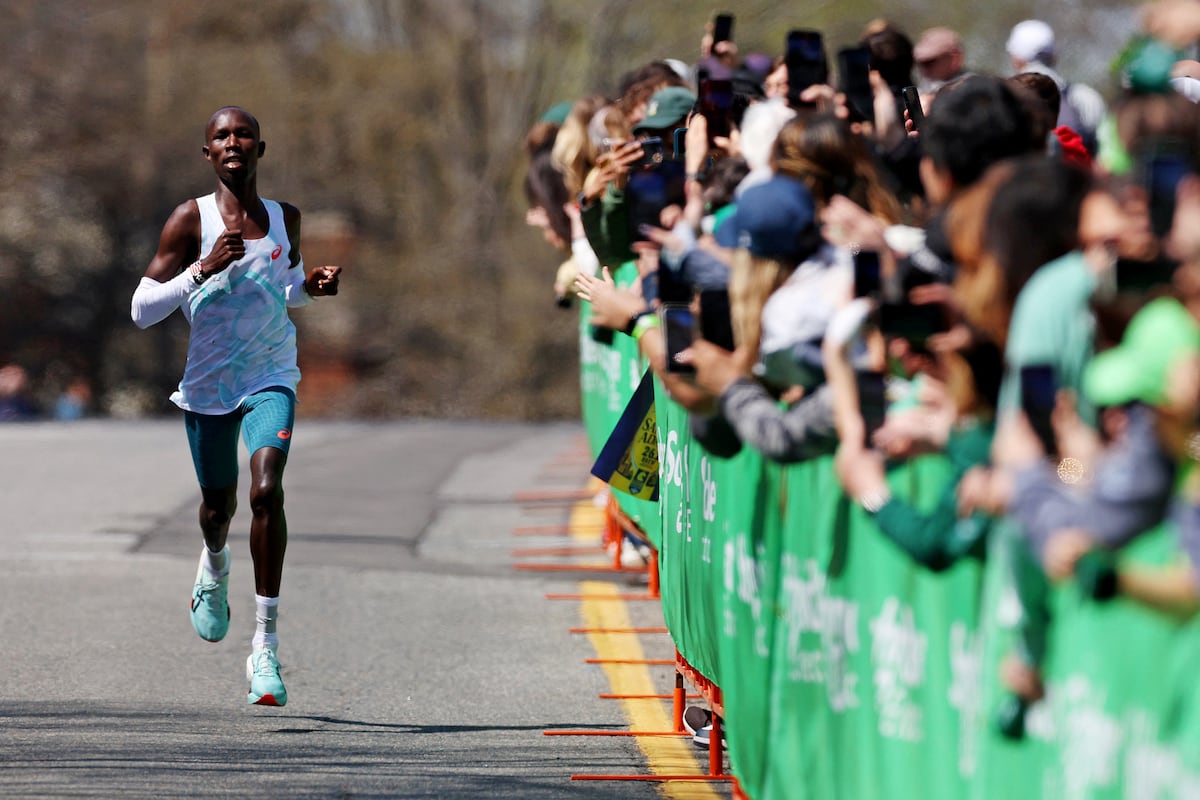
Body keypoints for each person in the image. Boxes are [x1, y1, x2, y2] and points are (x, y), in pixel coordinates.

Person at [130, 106, 342, 707]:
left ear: (259, 149)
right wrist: (202, 269)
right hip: (208, 388)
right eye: (221, 136)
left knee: (265, 489)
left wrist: (313, 288)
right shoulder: (186, 220)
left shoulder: (283, 218)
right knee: (218, 507)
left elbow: (288, 288)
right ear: (208, 154)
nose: (232, 142)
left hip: (271, 375)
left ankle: (265, 648)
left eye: (243, 134)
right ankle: (214, 564)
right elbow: (142, 312)